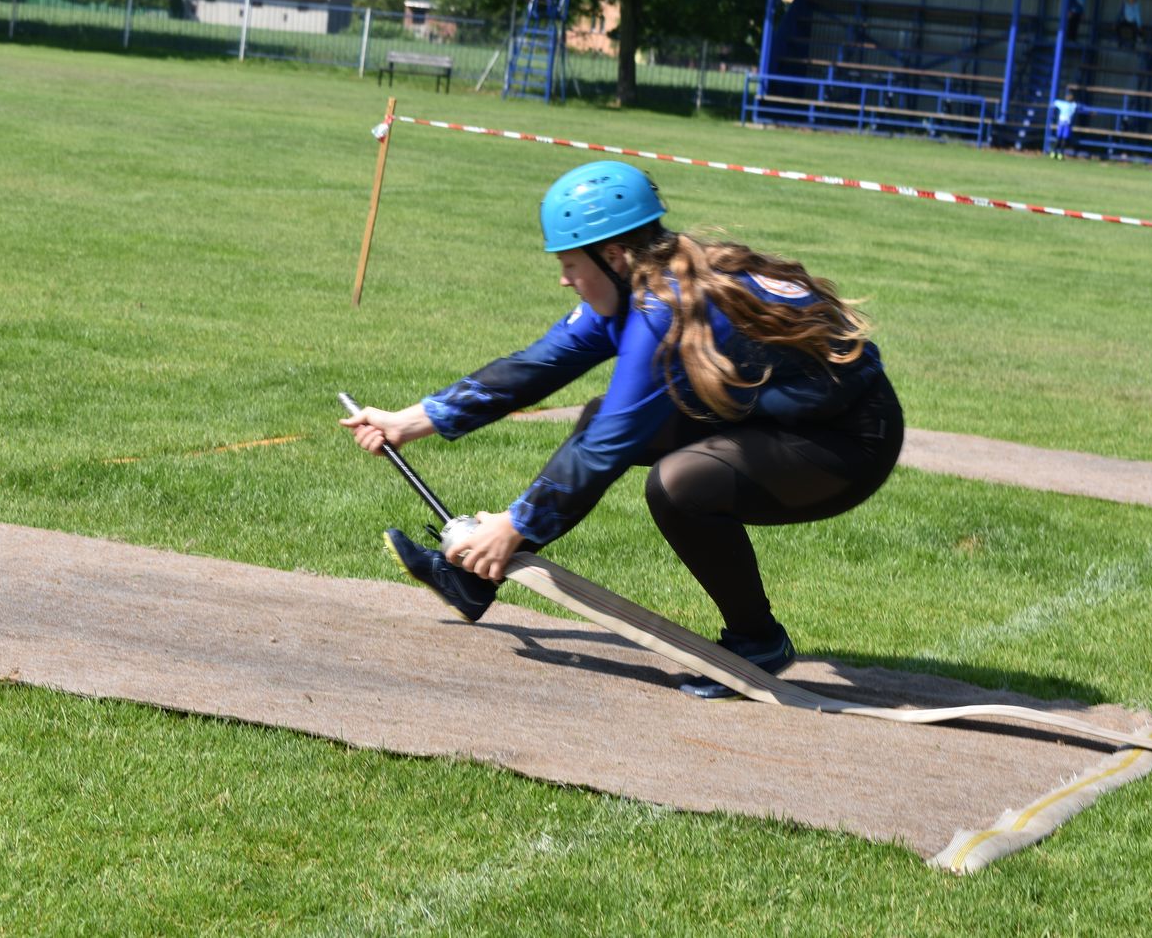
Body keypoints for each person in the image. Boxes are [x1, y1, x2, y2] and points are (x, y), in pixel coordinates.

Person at [341, 161, 904, 700]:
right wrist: (410, 420)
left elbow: (609, 444)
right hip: (788, 421)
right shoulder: (649, 281)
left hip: (848, 443)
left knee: (679, 483)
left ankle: (758, 642)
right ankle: (475, 578)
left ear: (612, 255)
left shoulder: (666, 309)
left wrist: (513, 524)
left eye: (570, 264)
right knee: (600, 421)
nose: (564, 279)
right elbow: (535, 366)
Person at [1050, 86, 1081, 159]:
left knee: (1063, 139)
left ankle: (1060, 153)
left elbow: (1055, 102)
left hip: (1066, 125)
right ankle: (1054, 152)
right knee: (1059, 139)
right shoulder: (1064, 104)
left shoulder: (1072, 105)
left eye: (1070, 96)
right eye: (1068, 96)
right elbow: (1054, 102)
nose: (1069, 97)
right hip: (1062, 124)